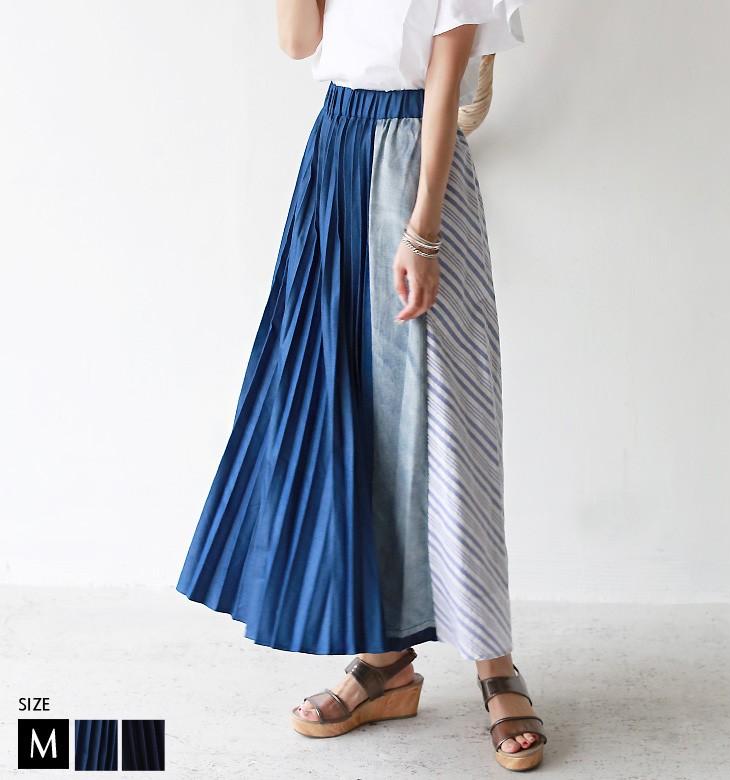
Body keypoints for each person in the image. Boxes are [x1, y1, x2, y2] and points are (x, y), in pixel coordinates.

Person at [176, 0, 546, 771]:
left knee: (451, 413)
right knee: (351, 409)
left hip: (417, 163)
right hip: (335, 155)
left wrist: (424, 230)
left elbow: (444, 83)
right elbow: (297, 42)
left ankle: (494, 662)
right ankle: (385, 662)